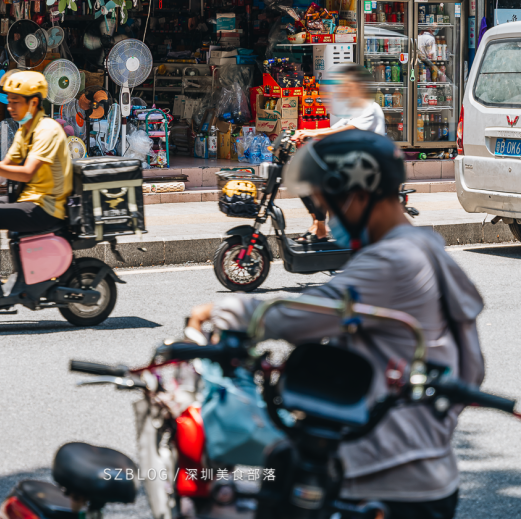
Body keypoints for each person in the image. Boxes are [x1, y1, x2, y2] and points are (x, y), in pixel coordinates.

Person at [188, 130, 484, 519]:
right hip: (423, 462)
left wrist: (225, 312)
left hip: (388, 472)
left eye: (331, 206)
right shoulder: (425, 245)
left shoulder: (394, 261)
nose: (330, 219)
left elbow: (307, 314)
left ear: (358, 198)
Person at [0, 70, 73, 298]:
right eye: (9, 102)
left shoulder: (46, 130)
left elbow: (27, 173)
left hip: (45, 207)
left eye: (16, 102)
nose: (10, 107)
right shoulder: (24, 130)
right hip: (27, 198)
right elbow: (6, 166)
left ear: (34, 102)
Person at [293, 63, 385, 240]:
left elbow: (347, 130)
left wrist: (313, 133)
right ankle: (317, 224)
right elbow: (334, 129)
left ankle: (320, 228)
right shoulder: (355, 110)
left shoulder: (371, 109)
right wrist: (307, 134)